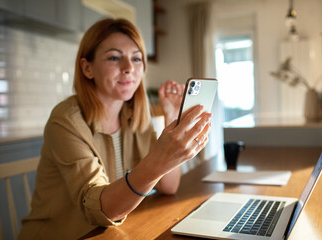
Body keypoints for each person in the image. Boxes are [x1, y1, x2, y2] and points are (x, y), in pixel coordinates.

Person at [18, 18, 212, 239]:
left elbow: (168, 186)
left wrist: (171, 117)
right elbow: (100, 209)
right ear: (87, 68)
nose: (129, 68)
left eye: (136, 58)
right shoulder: (66, 120)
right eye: (114, 57)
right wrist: (159, 159)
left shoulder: (136, 114)